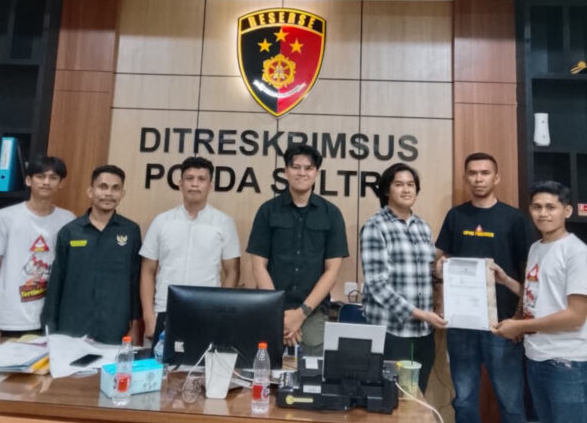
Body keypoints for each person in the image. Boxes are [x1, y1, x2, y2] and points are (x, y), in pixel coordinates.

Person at [435, 152, 533, 423]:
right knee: (464, 400)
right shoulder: (456, 216)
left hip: (502, 324)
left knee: (511, 404)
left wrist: (519, 319)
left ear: (496, 177)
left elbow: (527, 272)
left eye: (485, 173)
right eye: (473, 173)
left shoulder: (514, 218)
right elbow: (442, 260)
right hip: (461, 324)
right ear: (466, 177)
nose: (478, 178)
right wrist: (439, 268)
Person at [492, 181, 587, 423]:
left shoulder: (577, 253)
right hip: (536, 357)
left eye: (550, 207)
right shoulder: (536, 247)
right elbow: (537, 294)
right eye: (536, 207)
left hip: (566, 362)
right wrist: (507, 281)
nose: (543, 213)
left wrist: (520, 327)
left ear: (567, 211)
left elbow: (575, 316)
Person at [247, 144, 348, 356]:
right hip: (271, 312)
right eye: (296, 167)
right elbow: (258, 266)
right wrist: (280, 313)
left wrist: (300, 314)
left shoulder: (331, 214)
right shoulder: (267, 211)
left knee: (312, 374)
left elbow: (332, 272)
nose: (302, 173)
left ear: (316, 173)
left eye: (308, 168)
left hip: (313, 314)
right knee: (265, 370)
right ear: (286, 171)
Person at [360, 163, 446, 393]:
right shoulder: (375, 226)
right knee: (390, 397)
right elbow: (377, 285)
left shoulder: (422, 227)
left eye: (411, 185)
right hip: (391, 331)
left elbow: (425, 273)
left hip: (423, 332)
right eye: (399, 184)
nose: (406, 190)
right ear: (386, 190)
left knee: (417, 397)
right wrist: (420, 313)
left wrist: (439, 272)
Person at [140, 156, 240, 344]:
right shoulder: (162, 221)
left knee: (202, 363)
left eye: (201, 179)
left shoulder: (223, 222)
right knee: (160, 363)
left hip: (207, 312)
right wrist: (148, 316)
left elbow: (232, 271)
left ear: (210, 185)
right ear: (180, 184)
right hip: (164, 310)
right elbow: (147, 270)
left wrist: (221, 312)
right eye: (189, 178)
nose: (195, 184)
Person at [41, 165, 141, 344]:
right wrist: (50, 327)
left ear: (122, 194)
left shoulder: (131, 231)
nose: (108, 193)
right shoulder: (70, 232)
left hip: (114, 327)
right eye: (103, 187)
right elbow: (56, 282)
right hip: (72, 327)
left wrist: (135, 326)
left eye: (115, 188)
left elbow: (135, 281)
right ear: (90, 191)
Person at [0, 156, 74, 344]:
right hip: (9, 321)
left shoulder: (68, 220)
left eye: (53, 177)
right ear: (28, 180)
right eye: (40, 176)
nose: (46, 182)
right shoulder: (5, 217)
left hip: (50, 321)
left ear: (61, 183)